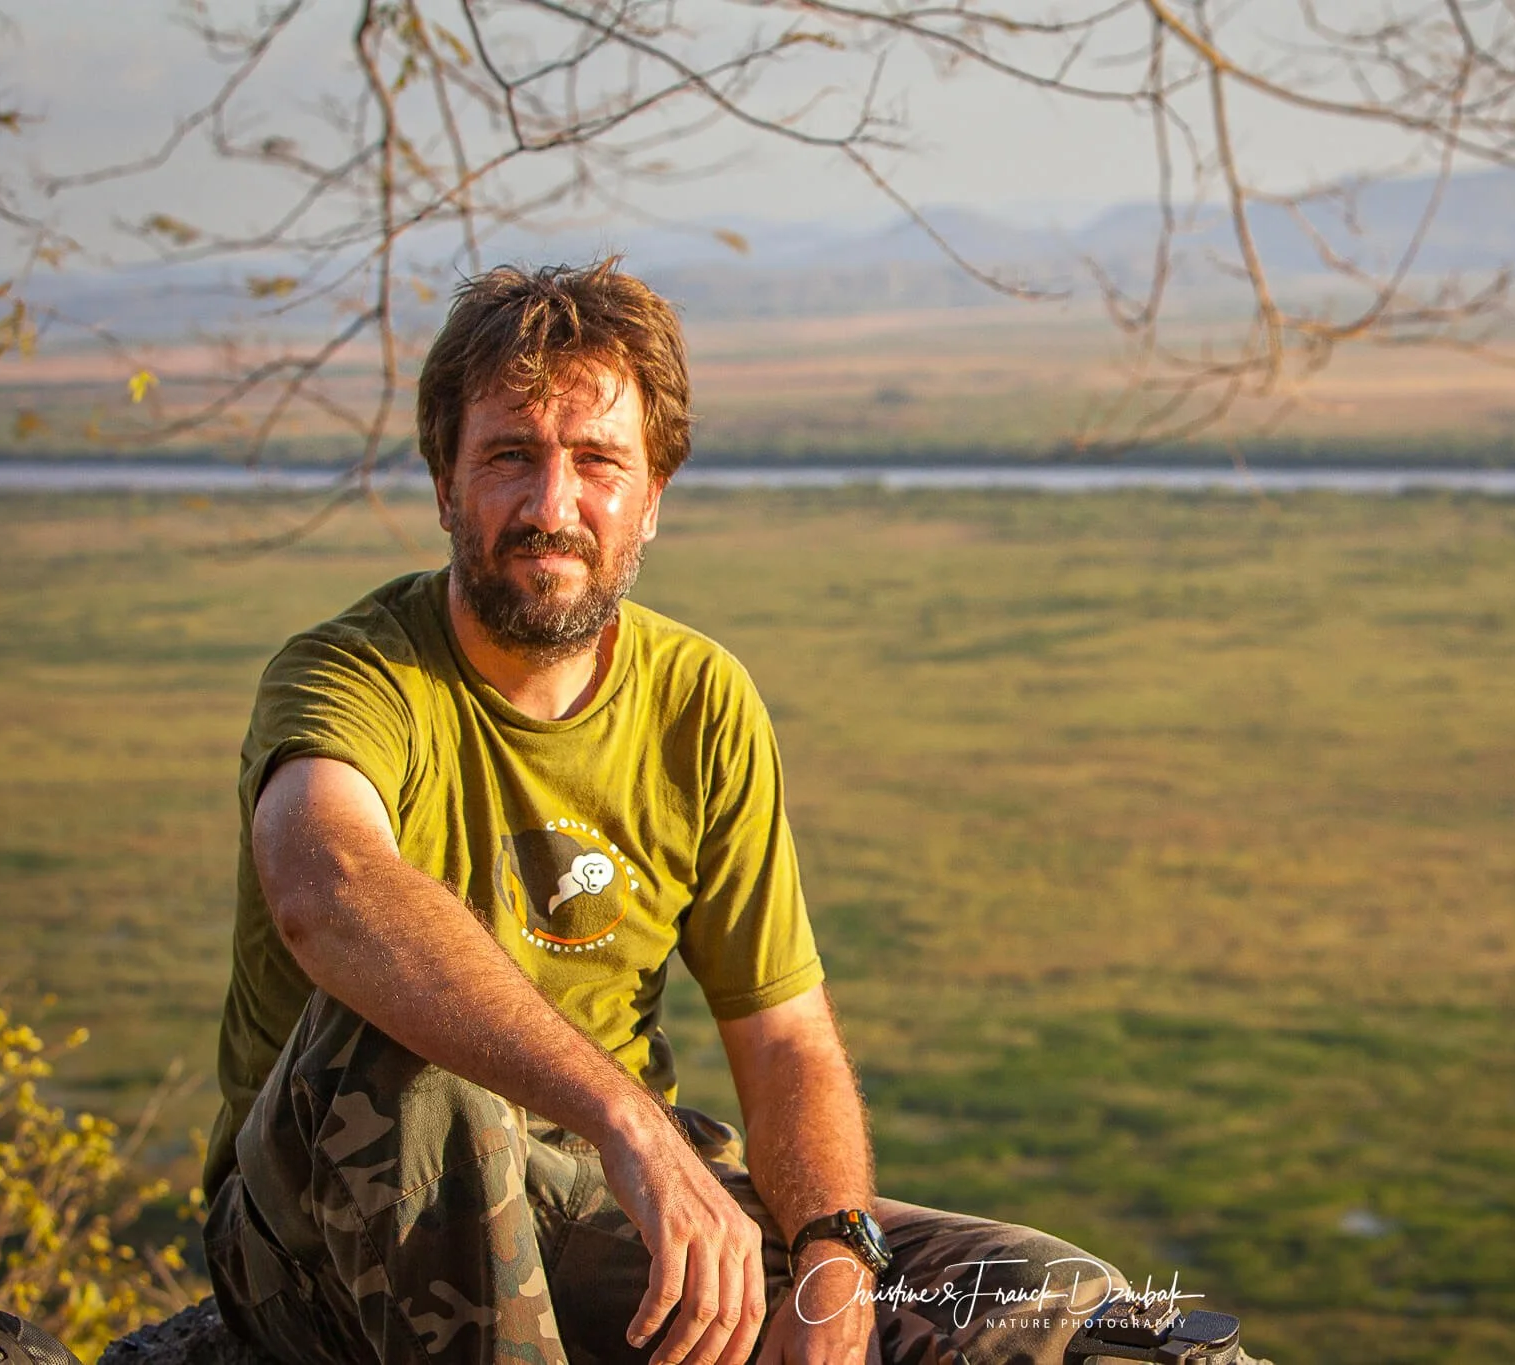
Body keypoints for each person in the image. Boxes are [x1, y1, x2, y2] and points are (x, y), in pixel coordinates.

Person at [199, 260, 1164, 1365]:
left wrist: (833, 1258)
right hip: (322, 1226)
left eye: (598, 462)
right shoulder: (350, 676)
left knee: (1058, 1302)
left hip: (604, 1203)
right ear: (443, 484)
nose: (550, 507)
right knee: (408, 1054)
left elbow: (786, 1039)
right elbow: (328, 889)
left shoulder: (700, 699)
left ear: (651, 497)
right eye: (509, 457)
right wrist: (629, 1125)